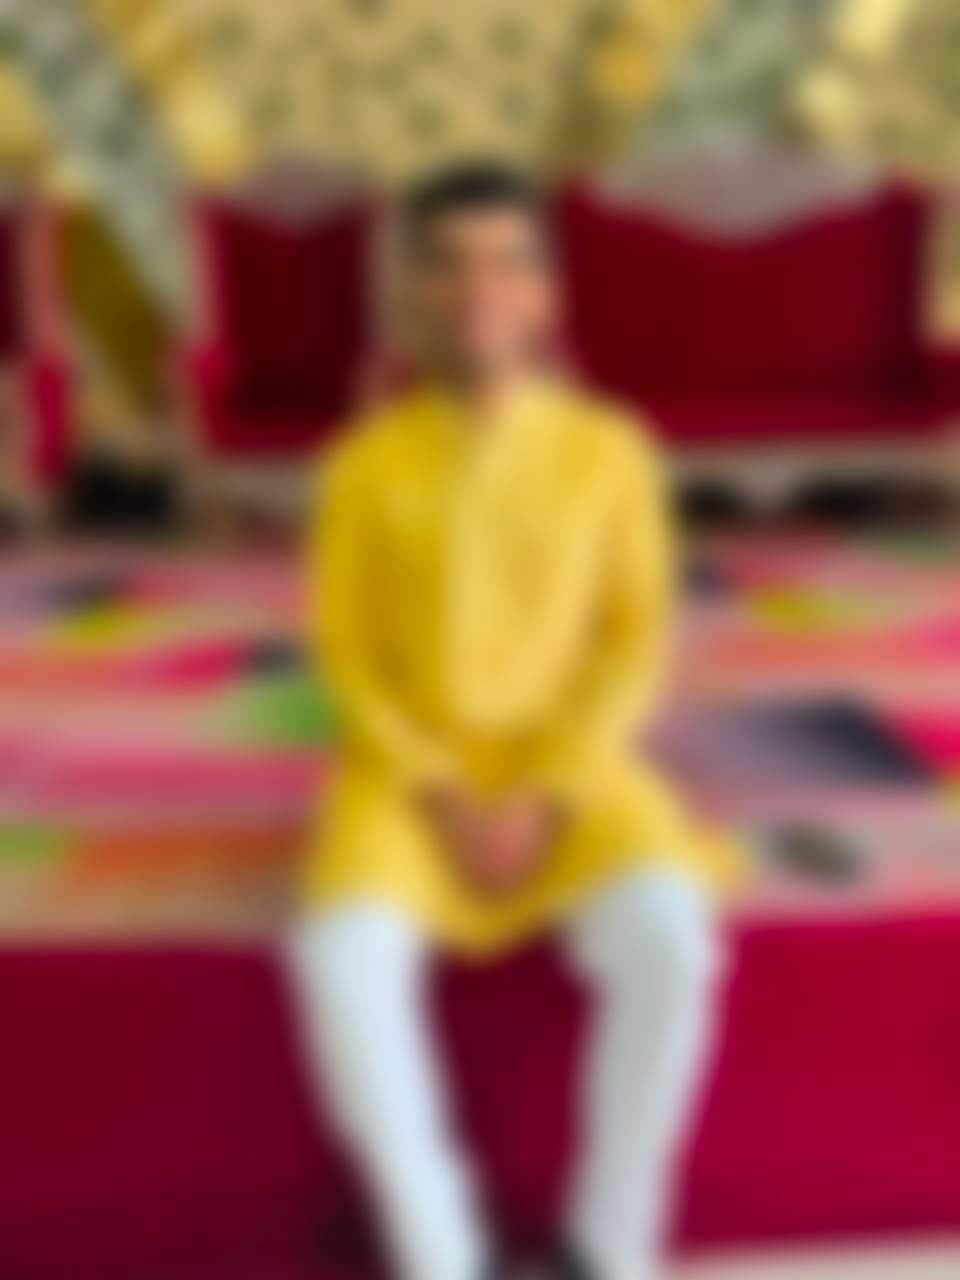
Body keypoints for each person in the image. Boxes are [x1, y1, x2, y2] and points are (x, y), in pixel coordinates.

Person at [289, 163, 737, 1280]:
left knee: (674, 938)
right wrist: (442, 793)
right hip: (407, 780)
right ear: (408, 294)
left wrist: (550, 787)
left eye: (506, 260)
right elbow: (347, 656)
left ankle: (608, 1240)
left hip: (574, 771)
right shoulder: (361, 466)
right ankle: (442, 1247)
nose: (476, 287)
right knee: (337, 961)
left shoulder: (611, 450)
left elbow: (634, 638)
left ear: (547, 293)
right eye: (445, 264)